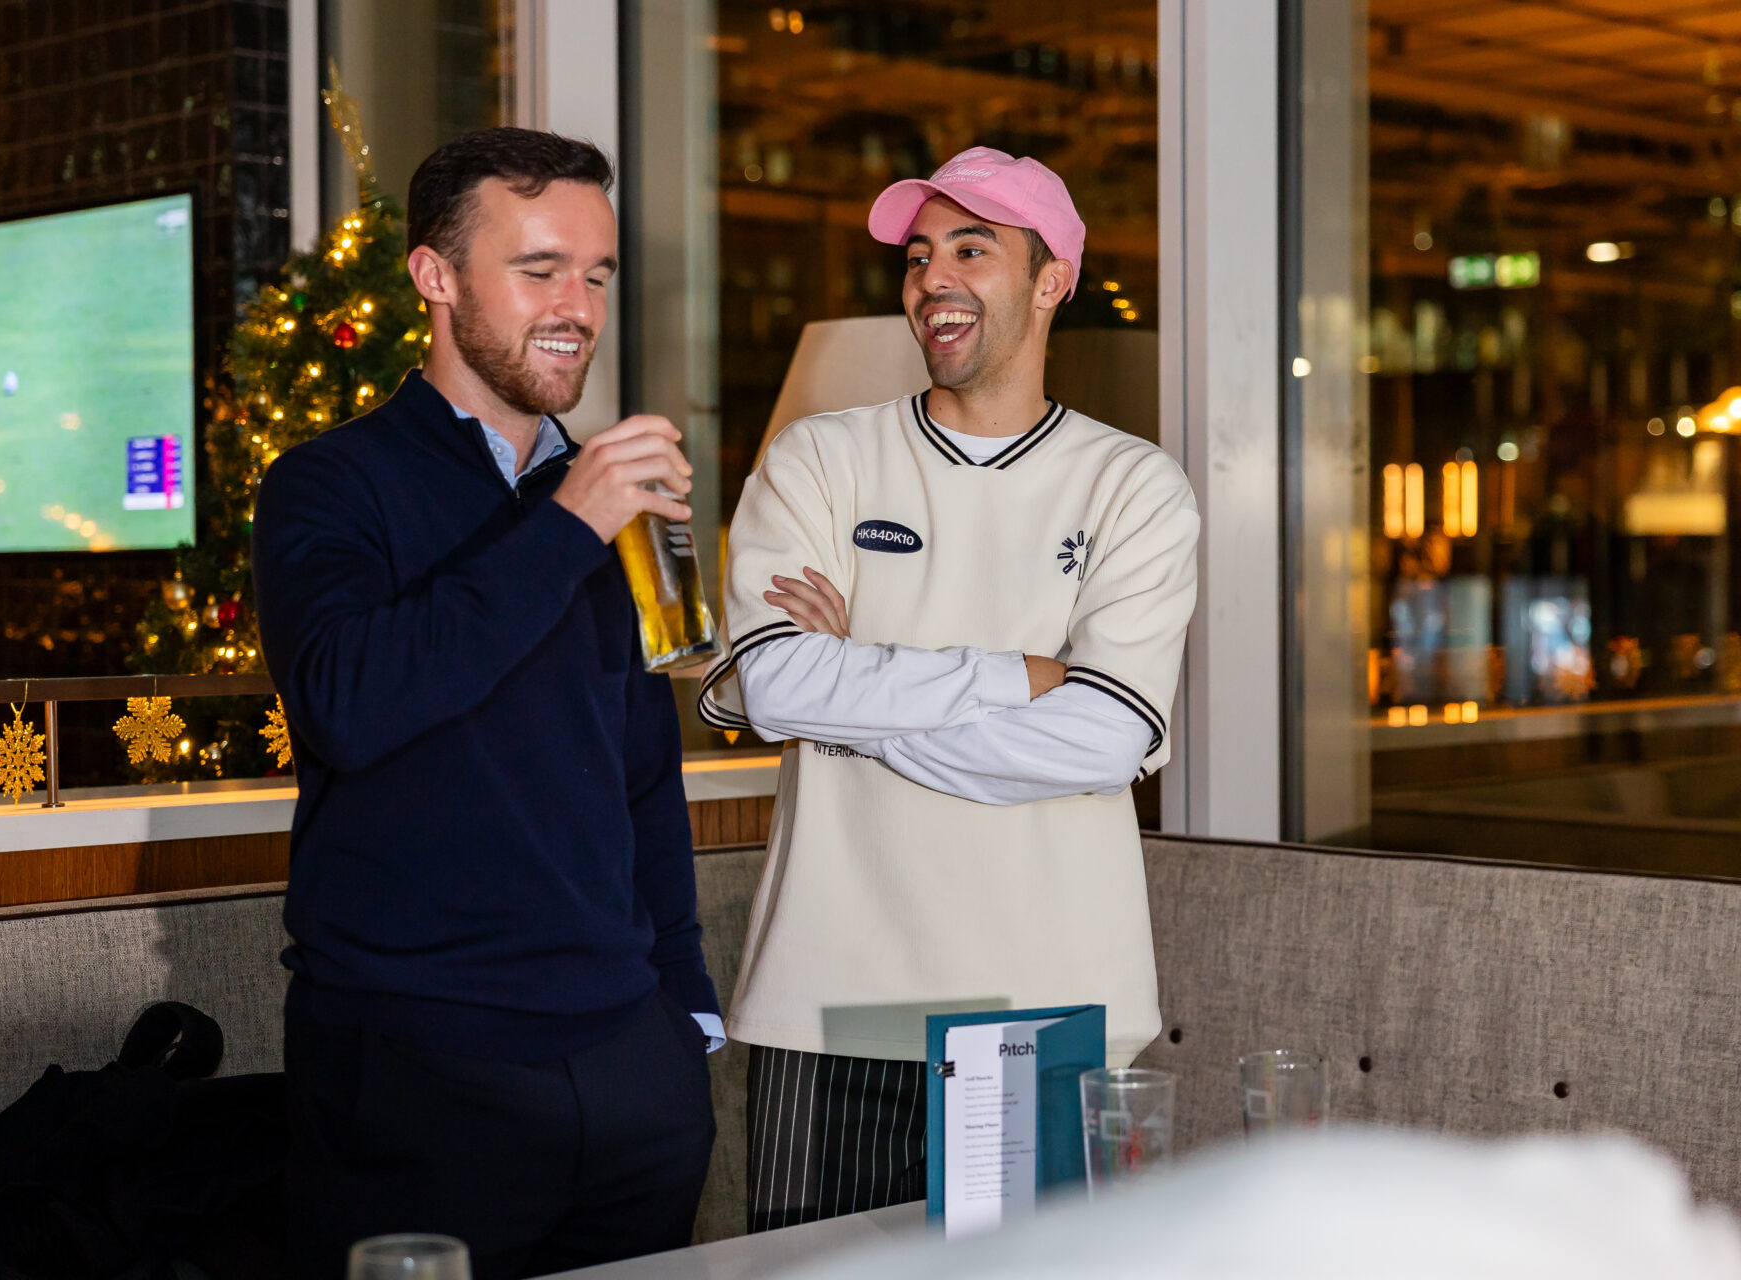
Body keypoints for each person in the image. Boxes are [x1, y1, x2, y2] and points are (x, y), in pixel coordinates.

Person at [697, 146, 1199, 1232]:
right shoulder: (818, 459)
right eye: (919, 255)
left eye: (972, 250)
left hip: (1049, 1009)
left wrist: (854, 701)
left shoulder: (1134, 486)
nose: (932, 278)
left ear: (1052, 279)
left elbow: (1102, 740)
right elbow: (774, 682)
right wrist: (1017, 677)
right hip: (826, 1004)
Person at [253, 127, 721, 1280]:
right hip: (417, 1070)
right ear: (437, 275)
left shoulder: (604, 496)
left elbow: (640, 773)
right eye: (540, 269)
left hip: (633, 1073)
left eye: (597, 274)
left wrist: (686, 1016)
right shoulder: (329, 483)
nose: (578, 307)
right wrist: (566, 523)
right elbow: (348, 703)